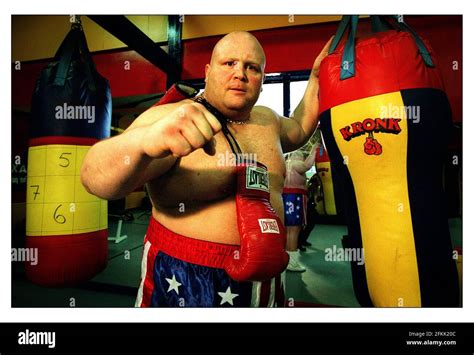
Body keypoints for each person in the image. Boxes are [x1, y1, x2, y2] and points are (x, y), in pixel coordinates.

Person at [81, 31, 332, 307]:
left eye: (252, 67)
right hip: (185, 279)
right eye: (229, 64)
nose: (240, 74)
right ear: (208, 71)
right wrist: (144, 142)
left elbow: (298, 126)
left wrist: (317, 78)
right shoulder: (172, 119)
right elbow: (94, 179)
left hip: (265, 277)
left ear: (262, 81)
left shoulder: (268, 120)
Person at [283, 144, 317, 272]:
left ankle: (287, 259)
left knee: (288, 230)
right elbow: (307, 165)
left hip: (286, 197)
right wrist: (313, 151)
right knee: (294, 230)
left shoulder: (285, 164)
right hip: (295, 198)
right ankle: (292, 262)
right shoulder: (295, 163)